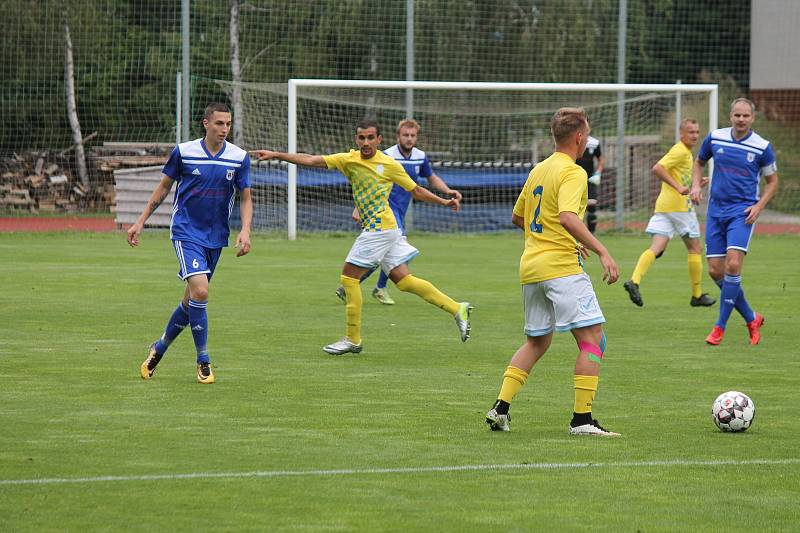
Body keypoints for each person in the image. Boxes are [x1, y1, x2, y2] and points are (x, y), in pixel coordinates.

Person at [253, 120, 472, 355]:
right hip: (385, 229)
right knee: (404, 281)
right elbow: (312, 160)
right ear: (356, 140)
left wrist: (444, 201)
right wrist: (277, 154)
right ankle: (457, 308)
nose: (366, 142)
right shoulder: (349, 159)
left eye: (370, 138)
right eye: (361, 138)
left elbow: (416, 190)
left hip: (380, 229)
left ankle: (352, 338)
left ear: (379, 140)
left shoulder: (389, 164)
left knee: (349, 278)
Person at [484, 107, 620, 436]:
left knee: (537, 341)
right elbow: (568, 218)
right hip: (560, 268)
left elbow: (520, 217)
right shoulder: (573, 173)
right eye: (586, 134)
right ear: (579, 137)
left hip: (531, 267)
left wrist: (558, 238)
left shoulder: (539, 170)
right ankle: (582, 421)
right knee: (593, 342)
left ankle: (500, 408)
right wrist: (603, 250)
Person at [127, 102, 253, 384]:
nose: (224, 129)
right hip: (186, 232)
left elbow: (245, 197)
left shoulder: (239, 157)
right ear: (205, 123)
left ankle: (159, 348)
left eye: (228, 124)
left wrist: (245, 230)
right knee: (202, 291)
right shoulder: (184, 152)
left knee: (191, 300)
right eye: (219, 123)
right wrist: (140, 221)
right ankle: (204, 360)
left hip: (216, 237)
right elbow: (163, 187)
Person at [334, 119, 462, 305]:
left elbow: (431, 178)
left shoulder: (420, 156)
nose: (409, 139)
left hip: (401, 210)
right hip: (386, 211)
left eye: (412, 135)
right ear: (397, 137)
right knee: (389, 254)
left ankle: (357, 285)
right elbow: (367, 181)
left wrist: (447, 191)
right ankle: (370, 287)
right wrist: (358, 208)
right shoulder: (387, 156)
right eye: (405, 135)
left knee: (384, 254)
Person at [690, 97, 778, 346]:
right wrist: (696, 185)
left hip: (742, 212)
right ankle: (751, 317)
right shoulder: (716, 138)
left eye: (745, 116)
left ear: (753, 118)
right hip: (716, 211)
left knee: (733, 264)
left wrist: (759, 206)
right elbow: (699, 162)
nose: (741, 120)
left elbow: (773, 181)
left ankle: (719, 327)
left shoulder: (762, 147)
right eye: (737, 115)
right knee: (715, 270)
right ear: (730, 116)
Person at [623, 119, 716, 308]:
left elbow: (677, 179)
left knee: (656, 248)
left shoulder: (686, 153)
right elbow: (658, 168)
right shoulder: (680, 150)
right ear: (681, 134)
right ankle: (696, 295)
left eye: (697, 132)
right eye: (691, 132)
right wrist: (679, 187)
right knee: (695, 249)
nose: (695, 135)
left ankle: (634, 281)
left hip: (664, 207)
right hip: (680, 209)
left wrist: (694, 185)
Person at [575, 134, 604, 233]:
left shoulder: (594, 142)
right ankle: (576, 233)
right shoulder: (572, 140)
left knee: (592, 204)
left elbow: (601, 159)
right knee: (575, 207)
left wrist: (598, 173)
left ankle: (591, 233)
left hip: (589, 179)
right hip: (574, 179)